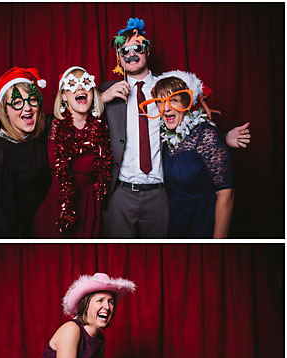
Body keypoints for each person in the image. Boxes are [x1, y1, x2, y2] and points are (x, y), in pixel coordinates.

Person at [98, 17, 250, 237]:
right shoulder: (106, 91)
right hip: (121, 193)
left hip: (160, 194)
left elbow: (190, 123)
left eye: (137, 48)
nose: (131, 54)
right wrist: (102, 98)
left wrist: (223, 137)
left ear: (147, 50)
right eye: (125, 50)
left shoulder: (169, 87)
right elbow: (76, 118)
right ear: (119, 57)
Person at [147, 71, 234, 237]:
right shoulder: (167, 137)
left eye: (173, 100)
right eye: (160, 102)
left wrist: (218, 242)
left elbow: (226, 193)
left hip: (205, 222)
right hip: (178, 222)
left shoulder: (205, 134)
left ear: (186, 103)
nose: (166, 108)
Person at [0, 67, 51, 238]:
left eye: (32, 100)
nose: (27, 108)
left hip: (32, 226)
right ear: (5, 109)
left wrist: (99, 98)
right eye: (17, 102)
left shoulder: (39, 128)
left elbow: (67, 116)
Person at [32, 67, 111, 237]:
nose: (80, 88)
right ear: (63, 96)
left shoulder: (102, 126)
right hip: (58, 205)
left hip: (89, 206)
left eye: (86, 84)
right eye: (73, 85)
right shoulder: (52, 126)